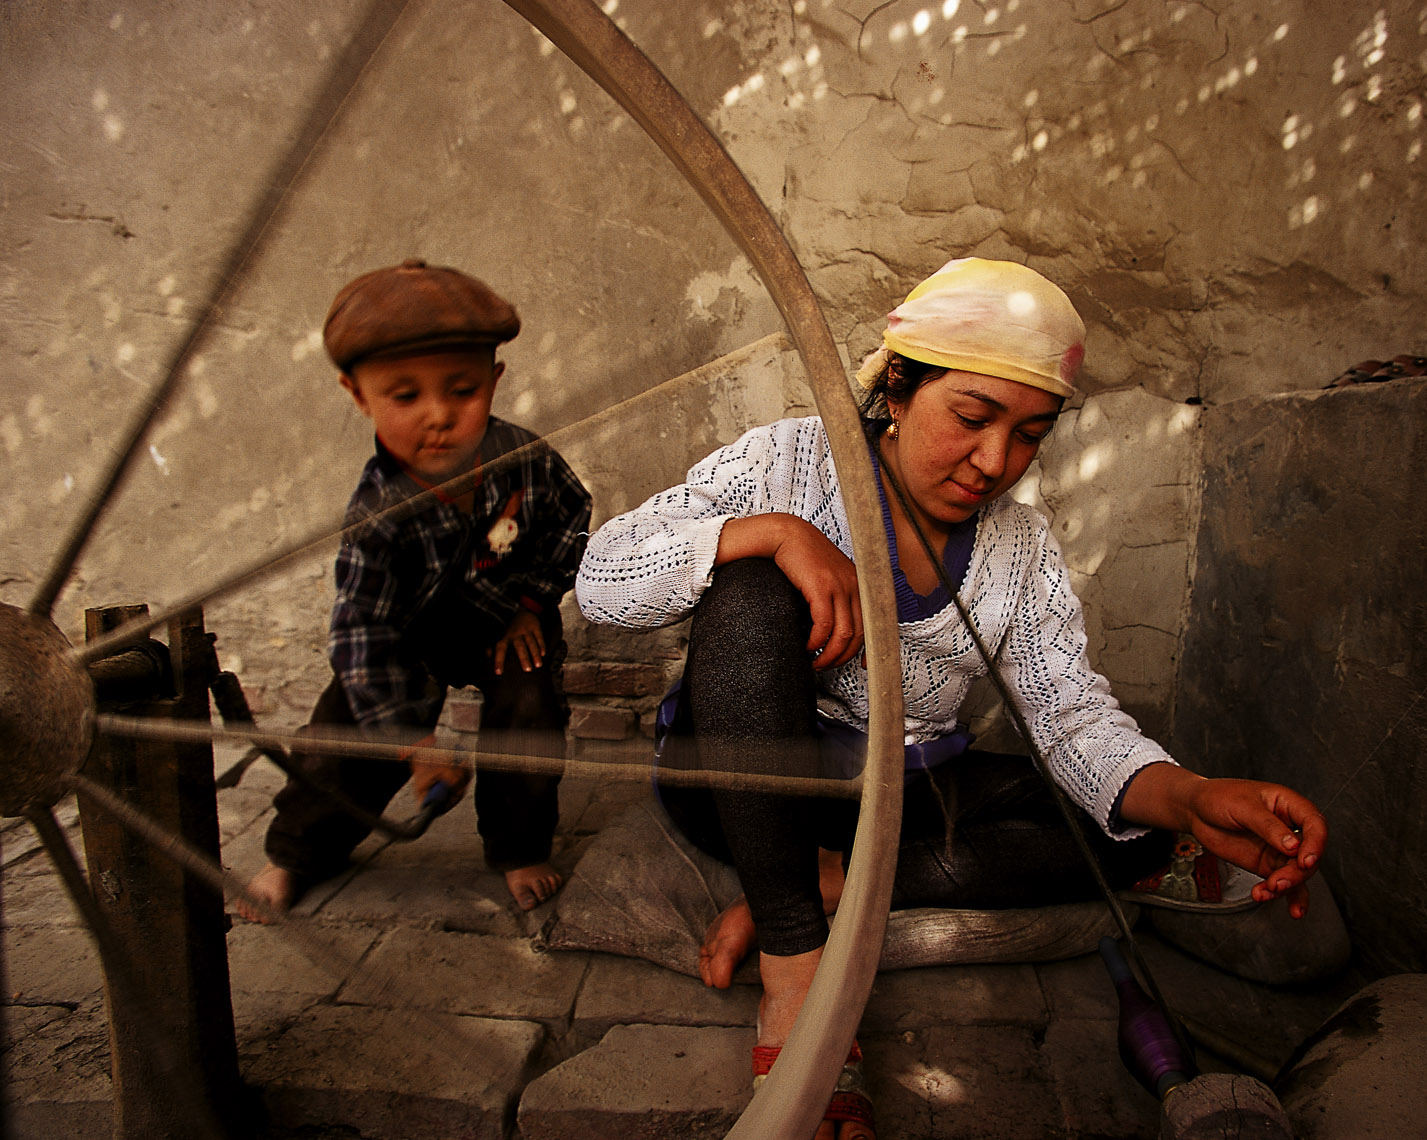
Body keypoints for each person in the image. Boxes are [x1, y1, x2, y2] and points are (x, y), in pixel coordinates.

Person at [574, 258, 1328, 1140]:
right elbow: (603, 580)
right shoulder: (787, 461)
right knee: (747, 592)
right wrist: (774, 535)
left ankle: (839, 880)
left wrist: (1193, 795)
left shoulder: (1018, 550)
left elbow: (1069, 715)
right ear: (898, 386)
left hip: (890, 797)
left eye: (1029, 434)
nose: (994, 461)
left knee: (1123, 833)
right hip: (742, 784)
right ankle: (795, 963)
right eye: (971, 418)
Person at [237, 260, 591, 922]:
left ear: (495, 380)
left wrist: (532, 606)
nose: (438, 417)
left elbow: (573, 520)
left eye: (461, 390)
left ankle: (519, 849)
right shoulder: (377, 513)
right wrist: (411, 742)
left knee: (529, 709)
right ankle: (294, 854)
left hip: (501, 625)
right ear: (356, 394)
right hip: (408, 640)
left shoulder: (526, 458)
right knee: (343, 734)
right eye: (405, 397)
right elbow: (362, 633)